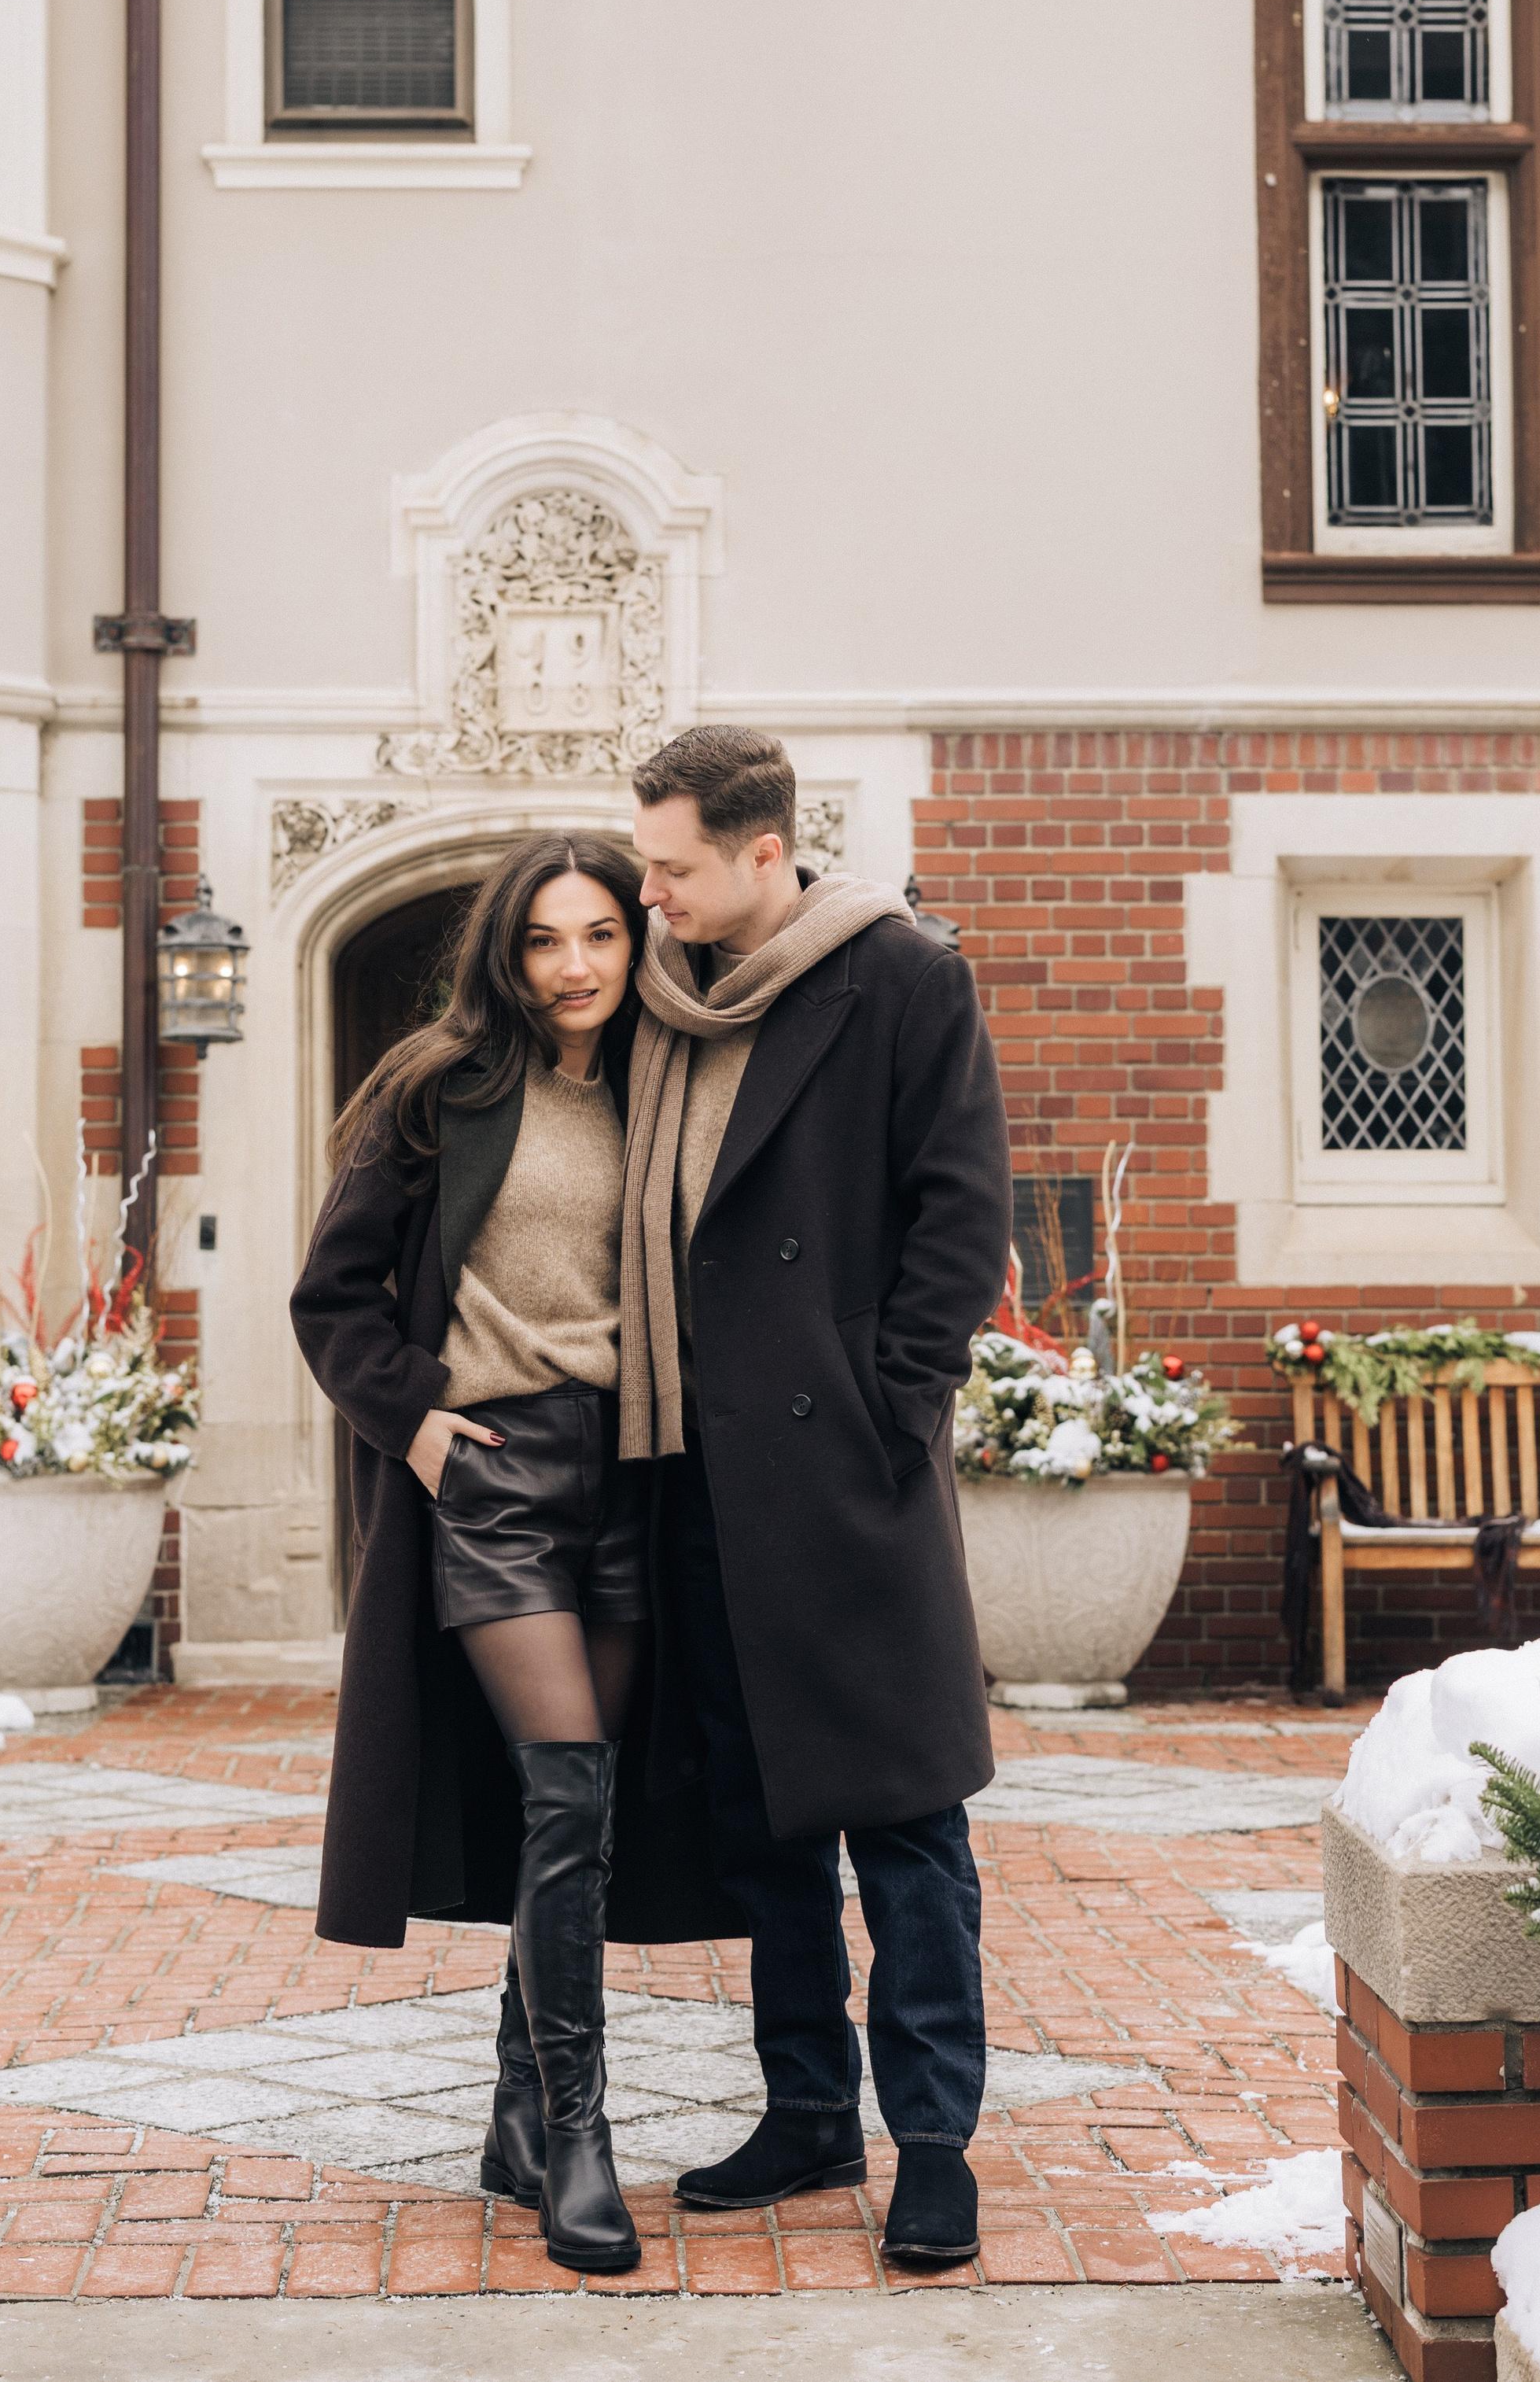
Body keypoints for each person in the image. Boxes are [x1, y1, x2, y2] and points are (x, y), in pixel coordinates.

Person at [289, 833, 738, 2277]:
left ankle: (512, 2113)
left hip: (628, 1471)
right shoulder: (440, 1085)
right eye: (547, 939)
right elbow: (332, 1294)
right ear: (508, 949)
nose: (575, 965)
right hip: (490, 1474)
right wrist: (415, 1424)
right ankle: (584, 2138)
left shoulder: (669, 1085)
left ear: (637, 940)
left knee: (583, 1809)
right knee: (564, 1784)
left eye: (601, 934)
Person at [621, 726, 1011, 2266]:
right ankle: (803, 2111)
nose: (646, 892)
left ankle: (933, 2142)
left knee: (907, 1824)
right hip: (699, 1478)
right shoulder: (662, 1006)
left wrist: (883, 1412)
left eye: (670, 866)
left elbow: (958, 1209)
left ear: (762, 851)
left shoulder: (899, 974)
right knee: (765, 1825)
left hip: (844, 1473)